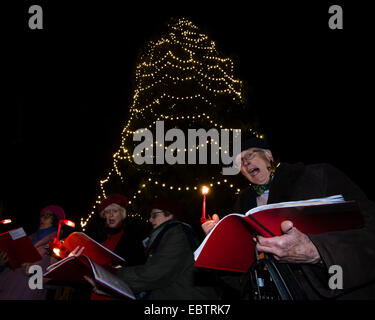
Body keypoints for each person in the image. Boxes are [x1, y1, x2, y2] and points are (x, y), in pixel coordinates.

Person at [202, 137, 375, 299]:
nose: (245, 162)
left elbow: (370, 229)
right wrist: (221, 243)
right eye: (239, 162)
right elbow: (243, 278)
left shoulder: (317, 176)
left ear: (268, 155)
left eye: (250, 154)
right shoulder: (241, 207)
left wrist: (317, 252)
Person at [108, 197, 219, 300]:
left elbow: (155, 273)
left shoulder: (178, 233)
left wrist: (113, 275)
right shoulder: (163, 236)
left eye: (154, 215)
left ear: (169, 214)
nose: (150, 220)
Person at [67, 193, 146, 300]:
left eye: (115, 211)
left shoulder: (132, 239)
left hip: (113, 295)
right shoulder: (94, 235)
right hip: (88, 291)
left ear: (122, 214)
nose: (111, 215)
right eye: (107, 212)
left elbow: (137, 270)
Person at [0, 205, 66, 300]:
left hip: (24, 294)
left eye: (48, 215)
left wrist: (35, 274)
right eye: (42, 215)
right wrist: (2, 264)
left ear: (56, 220)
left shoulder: (59, 246)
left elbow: (57, 283)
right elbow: (10, 268)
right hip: (4, 290)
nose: (43, 218)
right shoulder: (26, 239)